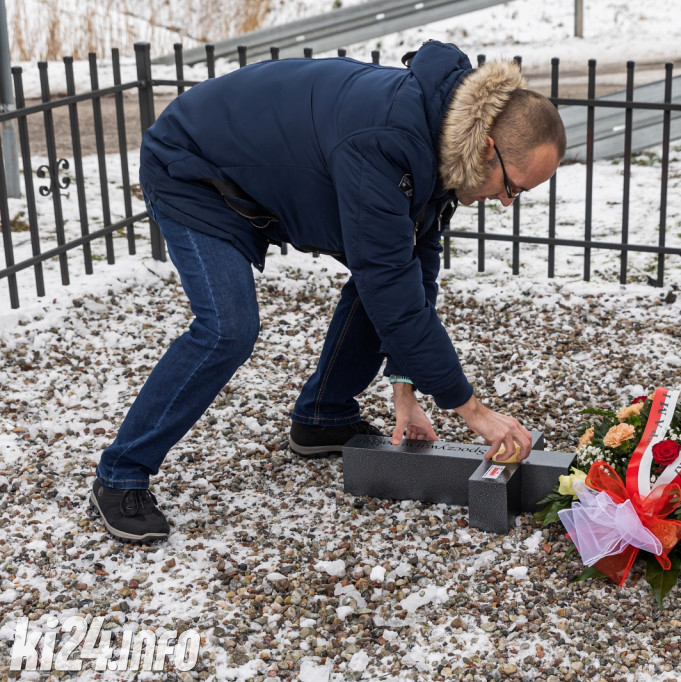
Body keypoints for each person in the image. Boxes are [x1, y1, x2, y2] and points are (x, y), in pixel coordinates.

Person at [89, 40, 567, 543]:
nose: (507, 203)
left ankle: (322, 417)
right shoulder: (389, 143)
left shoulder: (449, 137)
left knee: (383, 279)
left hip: (261, 175)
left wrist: (405, 392)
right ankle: (121, 474)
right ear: (490, 146)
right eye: (514, 187)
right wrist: (475, 412)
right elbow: (393, 292)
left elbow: (412, 272)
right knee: (227, 329)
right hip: (194, 169)